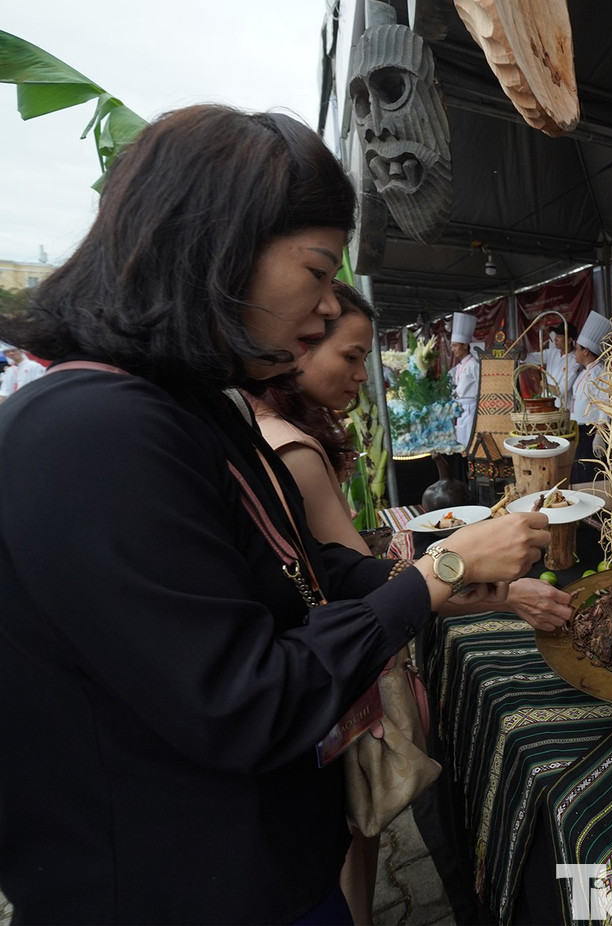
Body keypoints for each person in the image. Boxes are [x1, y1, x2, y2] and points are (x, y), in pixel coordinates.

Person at [0, 104, 551, 924]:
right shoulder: (89, 431)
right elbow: (244, 698)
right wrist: (439, 571)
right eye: (318, 272)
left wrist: (434, 583)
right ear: (217, 250)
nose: (329, 308)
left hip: (272, 872)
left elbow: (294, 566)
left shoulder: (192, 405)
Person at [247, 281, 571, 924]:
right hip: (331, 690)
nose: (360, 376)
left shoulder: (264, 432)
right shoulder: (293, 447)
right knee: (356, 828)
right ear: (298, 348)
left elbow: (354, 572)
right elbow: (375, 592)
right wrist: (487, 582)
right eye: (348, 356)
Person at [570, 311, 612, 484]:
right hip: (579, 432)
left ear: (586, 351)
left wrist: (600, 434)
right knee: (580, 475)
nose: (574, 352)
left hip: (592, 432)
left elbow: (605, 403)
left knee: (591, 477)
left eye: (576, 349)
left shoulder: (601, 372)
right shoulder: (583, 372)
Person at [449, 311, 481, 451]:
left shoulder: (474, 365)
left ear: (466, 346)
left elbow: (481, 387)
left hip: (471, 408)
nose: (453, 349)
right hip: (460, 408)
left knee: (469, 443)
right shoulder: (459, 366)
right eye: (452, 346)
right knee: (460, 442)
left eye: (456, 346)